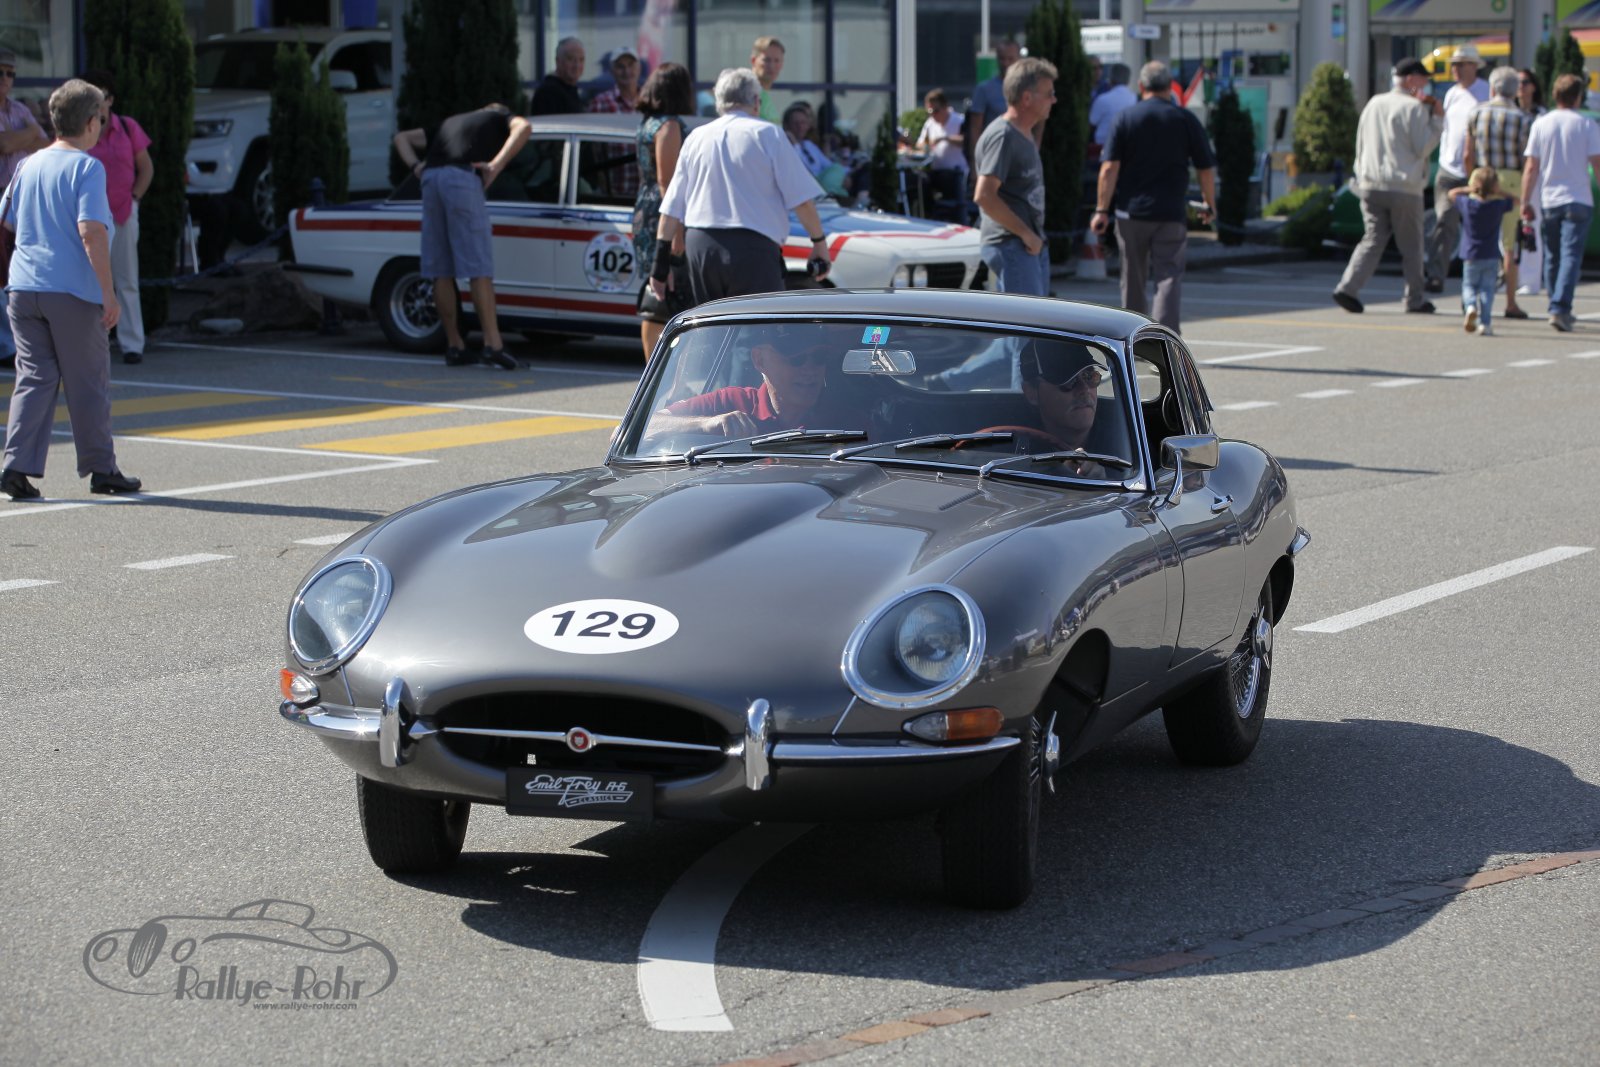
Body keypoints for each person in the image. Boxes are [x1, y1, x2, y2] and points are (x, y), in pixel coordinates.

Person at [2, 79, 141, 501]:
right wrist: (108, 293)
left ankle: (15, 467)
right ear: (90, 122)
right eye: (101, 118)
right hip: (71, 290)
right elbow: (91, 231)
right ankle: (102, 469)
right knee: (89, 381)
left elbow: (7, 219)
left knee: (35, 378)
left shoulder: (29, 164)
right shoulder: (87, 167)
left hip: (23, 287)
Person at [652, 68, 830, 309]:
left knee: (712, 325)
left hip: (701, 246)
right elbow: (802, 200)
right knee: (759, 326)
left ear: (719, 101)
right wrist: (819, 243)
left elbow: (671, 208)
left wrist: (660, 265)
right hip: (753, 247)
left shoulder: (696, 137)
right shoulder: (768, 134)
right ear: (756, 101)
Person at [393, 104, 532, 369]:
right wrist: (496, 165)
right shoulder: (498, 117)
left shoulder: (449, 122)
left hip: (431, 179)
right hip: (461, 178)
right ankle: (493, 345)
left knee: (440, 270)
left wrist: (416, 167)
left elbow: (402, 138)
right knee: (479, 267)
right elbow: (524, 127)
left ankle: (455, 345)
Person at [1091, 61, 1218, 332]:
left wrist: (1101, 210)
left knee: (1133, 279)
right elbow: (1205, 168)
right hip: (1171, 212)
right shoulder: (1185, 119)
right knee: (1169, 277)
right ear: (1170, 86)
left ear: (1141, 86)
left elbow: (1109, 168)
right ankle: (1164, 339)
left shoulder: (1125, 118)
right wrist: (1209, 203)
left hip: (1131, 213)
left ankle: (1132, 338)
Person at [1330, 58, 1442, 316]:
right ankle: (1414, 298)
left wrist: (1361, 174)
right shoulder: (1413, 107)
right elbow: (1423, 147)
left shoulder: (1373, 104)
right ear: (1411, 79)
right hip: (1403, 185)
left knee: (1372, 239)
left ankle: (1348, 288)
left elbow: (1360, 143)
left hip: (1370, 183)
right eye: (1423, 79)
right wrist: (1437, 121)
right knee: (1411, 246)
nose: (1425, 84)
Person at [80, 70, 153, 365]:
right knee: (91, 281)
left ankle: (132, 343)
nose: (99, 103)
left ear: (111, 100)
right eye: (92, 96)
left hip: (123, 212)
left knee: (126, 279)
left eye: (104, 96)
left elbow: (146, 168)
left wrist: (134, 199)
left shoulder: (127, 127)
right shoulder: (80, 130)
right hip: (90, 217)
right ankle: (94, 343)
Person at [1520, 73, 1600, 333]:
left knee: (1553, 256)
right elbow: (1597, 164)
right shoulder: (1586, 124)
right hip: (1578, 198)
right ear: (1578, 96)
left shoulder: (1541, 123)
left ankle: (1556, 304)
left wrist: (1525, 199)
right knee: (1571, 256)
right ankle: (1560, 307)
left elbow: (1531, 166)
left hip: (1549, 198)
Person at [974, 57, 1057, 298]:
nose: (1054, 100)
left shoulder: (1023, 133)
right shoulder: (1003, 136)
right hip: (1011, 244)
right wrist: (1026, 234)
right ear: (1027, 98)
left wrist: (1032, 237)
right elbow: (984, 195)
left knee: (1033, 319)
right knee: (1028, 320)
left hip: (1026, 244)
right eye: (1049, 94)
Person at [652, 330, 833, 437]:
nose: (810, 369)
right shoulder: (732, 402)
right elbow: (649, 426)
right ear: (759, 360)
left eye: (820, 357)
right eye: (796, 359)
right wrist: (706, 424)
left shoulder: (842, 416)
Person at [633, 61, 694, 360]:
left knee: (657, 291)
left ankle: (656, 368)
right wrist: (676, 235)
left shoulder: (649, 122)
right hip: (663, 215)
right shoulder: (668, 126)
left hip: (645, 210)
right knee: (662, 296)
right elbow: (667, 182)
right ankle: (657, 370)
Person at [1462, 66, 1532, 320]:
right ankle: (1510, 302)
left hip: (1482, 177)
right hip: (1511, 179)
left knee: (1477, 235)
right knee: (1510, 245)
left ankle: (1470, 297)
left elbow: (1467, 154)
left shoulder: (1476, 112)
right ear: (1515, 91)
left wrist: (1473, 179)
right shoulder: (1523, 118)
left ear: (1492, 88)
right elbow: (1526, 158)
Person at [1425, 45, 1490, 294]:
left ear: (1474, 67)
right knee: (1444, 220)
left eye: (1461, 64)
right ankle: (1436, 275)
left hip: (1476, 169)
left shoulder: (1485, 92)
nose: (1455, 69)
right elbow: (1446, 128)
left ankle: (1480, 278)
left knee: (1480, 226)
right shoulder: (1451, 93)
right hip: (1449, 168)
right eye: (1454, 64)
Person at [0, 46, 49, 369]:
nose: (6, 79)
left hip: (19, 197)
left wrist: (24, 137)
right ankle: (6, 347)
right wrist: (28, 132)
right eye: (0, 72)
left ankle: (17, 342)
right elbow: (4, 144)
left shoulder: (17, 109)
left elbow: (45, 144)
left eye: (11, 73)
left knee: (17, 271)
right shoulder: (24, 116)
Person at [1016, 340, 1107, 477]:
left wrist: (1107, 483)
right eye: (1068, 380)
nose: (1084, 389)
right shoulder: (1009, 451)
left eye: (1090, 377)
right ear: (1031, 393)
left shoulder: (1129, 447)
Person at [1446, 167, 1517, 336]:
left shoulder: (1468, 204)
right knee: (1487, 290)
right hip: (1491, 254)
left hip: (1470, 254)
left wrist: (1469, 189)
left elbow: (1451, 194)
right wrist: (1499, 192)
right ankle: (1485, 323)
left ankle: (1470, 306)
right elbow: (1516, 200)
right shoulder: (1497, 206)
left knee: (1469, 286)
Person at [587, 46, 643, 201]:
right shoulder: (600, 103)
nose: (626, 71)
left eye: (631, 65)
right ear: (612, 71)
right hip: (612, 194)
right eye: (620, 67)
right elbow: (591, 149)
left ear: (638, 69)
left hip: (644, 194)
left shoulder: (649, 102)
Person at [913, 89, 969, 220]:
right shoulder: (930, 124)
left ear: (945, 107)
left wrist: (946, 138)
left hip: (955, 173)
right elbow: (919, 144)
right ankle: (926, 217)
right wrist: (926, 145)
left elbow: (966, 141)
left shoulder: (959, 120)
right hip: (936, 171)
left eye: (935, 111)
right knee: (920, 181)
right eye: (929, 112)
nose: (933, 115)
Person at [1516, 69, 1548, 299]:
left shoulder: (1541, 116)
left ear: (1534, 86)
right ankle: (1510, 276)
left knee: (1530, 227)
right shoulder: (1509, 110)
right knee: (1508, 229)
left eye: (1525, 82)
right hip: (1511, 173)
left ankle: (1530, 280)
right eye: (1517, 82)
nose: (1521, 86)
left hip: (1534, 175)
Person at [967, 39, 1022, 152]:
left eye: (1010, 59)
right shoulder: (984, 89)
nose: (1006, 63)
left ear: (1019, 59)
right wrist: (975, 159)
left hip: (1022, 154)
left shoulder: (1029, 88)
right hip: (994, 153)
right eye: (1002, 58)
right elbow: (975, 129)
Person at [1087, 63, 1136, 157]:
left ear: (1111, 79)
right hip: (1127, 149)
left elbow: (1091, 124)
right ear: (1128, 80)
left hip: (1101, 149)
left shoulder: (1102, 99)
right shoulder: (1135, 99)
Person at [530, 38, 585, 116]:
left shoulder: (570, 90)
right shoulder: (548, 92)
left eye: (581, 60)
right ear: (558, 61)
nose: (577, 65)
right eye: (570, 59)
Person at [751, 37, 785, 124]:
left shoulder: (765, 95)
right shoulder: (746, 94)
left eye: (777, 61)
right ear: (753, 61)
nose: (772, 66)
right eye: (767, 60)